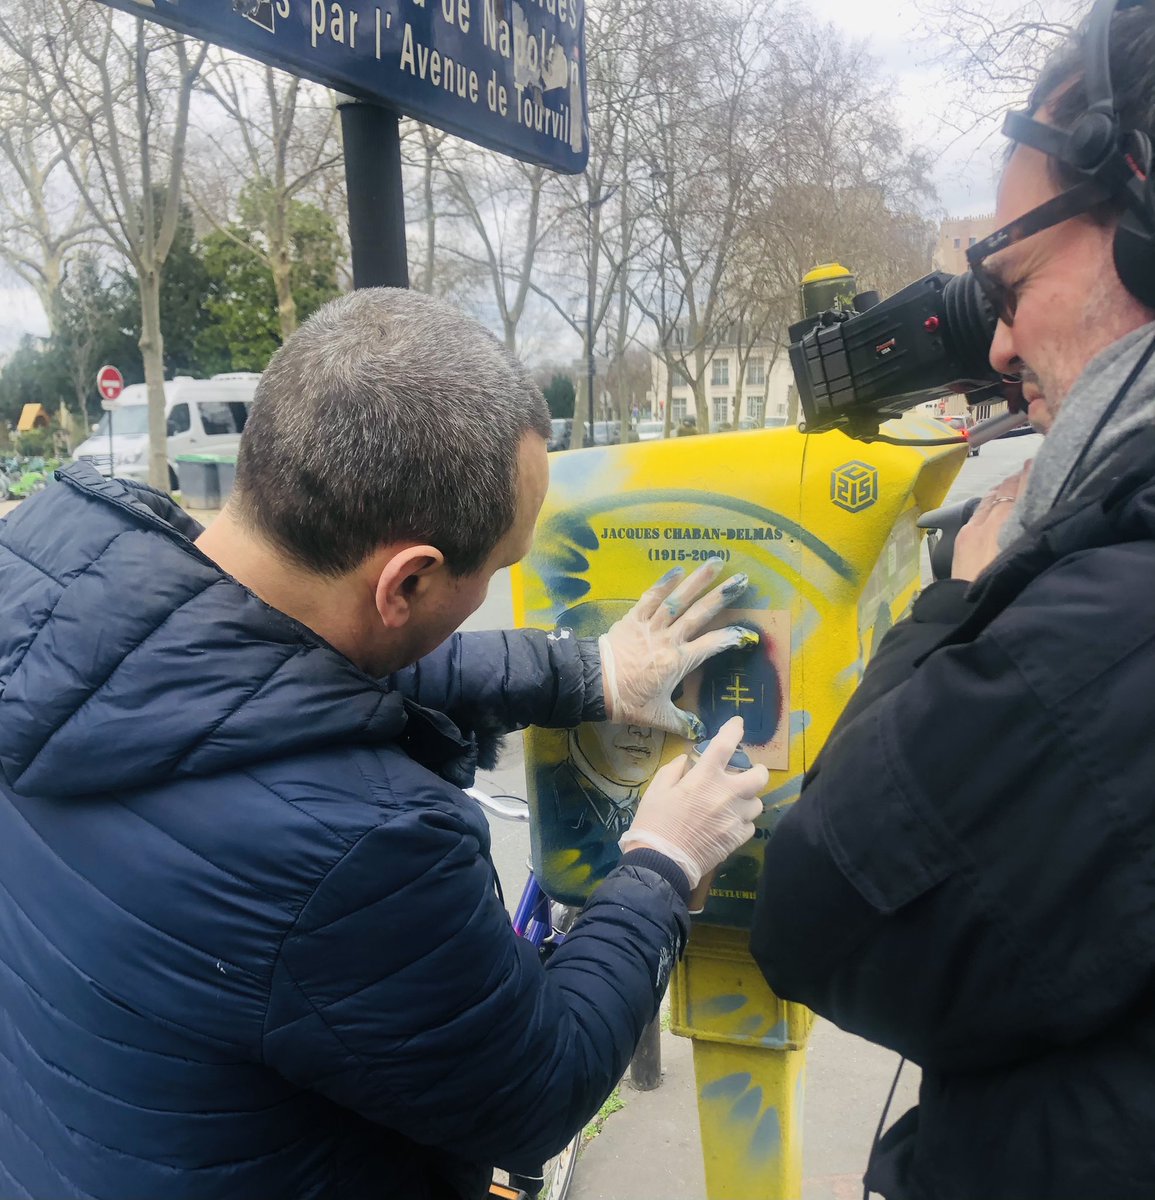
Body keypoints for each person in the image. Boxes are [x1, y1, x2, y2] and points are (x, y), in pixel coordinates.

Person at [0, 288, 770, 1199]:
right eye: (495, 570)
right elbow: (539, 1089)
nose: (493, 589)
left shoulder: (60, 611)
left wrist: (587, 675)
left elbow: (278, 682)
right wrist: (661, 864)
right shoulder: (362, 852)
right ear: (405, 581)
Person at [751, 3, 1155, 1198]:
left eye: (1010, 279)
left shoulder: (1113, 615)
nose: (999, 344)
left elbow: (818, 903)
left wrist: (961, 602)